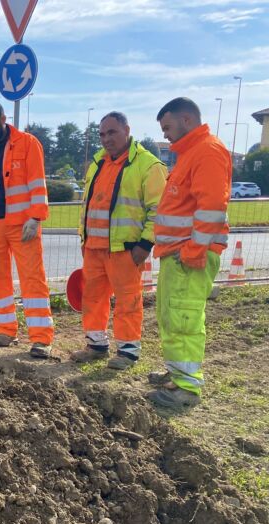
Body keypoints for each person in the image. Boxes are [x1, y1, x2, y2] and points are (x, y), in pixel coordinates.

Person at [148, 97, 230, 409]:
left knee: (183, 317)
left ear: (186, 120)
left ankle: (185, 388)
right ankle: (177, 373)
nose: (165, 134)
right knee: (171, 315)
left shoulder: (207, 151)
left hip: (188, 254)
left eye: (168, 127)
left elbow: (212, 207)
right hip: (178, 253)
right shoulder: (191, 153)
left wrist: (194, 250)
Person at [71, 112, 167, 370]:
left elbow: (159, 210)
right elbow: (88, 205)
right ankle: (96, 344)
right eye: (102, 134)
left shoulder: (148, 166)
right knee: (92, 298)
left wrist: (145, 245)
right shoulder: (97, 163)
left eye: (112, 132)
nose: (106, 139)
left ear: (127, 130)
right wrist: (84, 239)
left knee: (128, 301)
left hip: (125, 249)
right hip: (94, 248)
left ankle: (127, 351)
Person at [0, 100, 53, 358]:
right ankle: (6, 330)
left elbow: (37, 182)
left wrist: (36, 217)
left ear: (3, 119)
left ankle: (41, 338)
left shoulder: (27, 143)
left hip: (22, 225)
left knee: (32, 279)